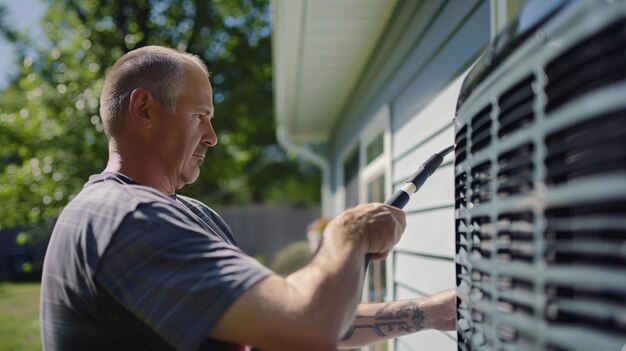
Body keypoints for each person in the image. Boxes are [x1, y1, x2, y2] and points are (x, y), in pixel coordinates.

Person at [40, 45, 456, 351]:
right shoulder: (125, 218)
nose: (212, 137)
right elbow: (306, 328)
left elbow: (279, 316)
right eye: (199, 116)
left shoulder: (183, 214)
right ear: (145, 109)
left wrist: (430, 313)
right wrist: (347, 235)